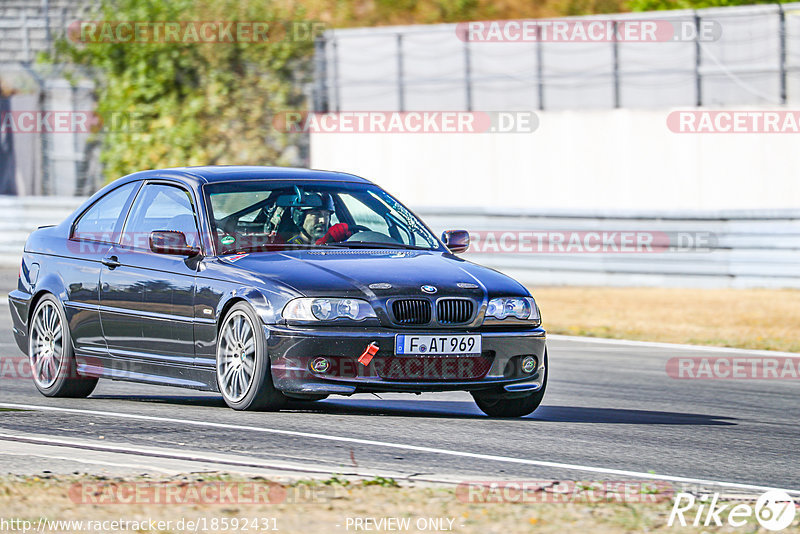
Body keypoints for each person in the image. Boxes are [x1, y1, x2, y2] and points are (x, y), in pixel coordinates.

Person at [285, 192, 352, 245]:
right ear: (299, 217)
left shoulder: (337, 245)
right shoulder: (288, 249)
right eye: (316, 214)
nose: (322, 220)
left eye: (326, 215)